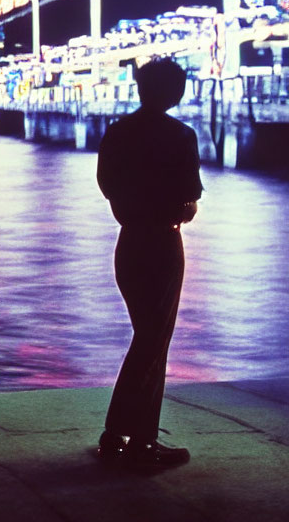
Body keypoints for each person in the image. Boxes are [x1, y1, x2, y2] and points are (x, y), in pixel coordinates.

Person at [96, 58, 203, 467]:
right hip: (163, 242)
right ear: (174, 92)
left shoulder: (118, 132)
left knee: (148, 336)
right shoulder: (180, 135)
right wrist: (179, 208)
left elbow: (107, 186)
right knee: (154, 340)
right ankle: (129, 437)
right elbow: (189, 197)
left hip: (128, 244)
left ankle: (133, 436)